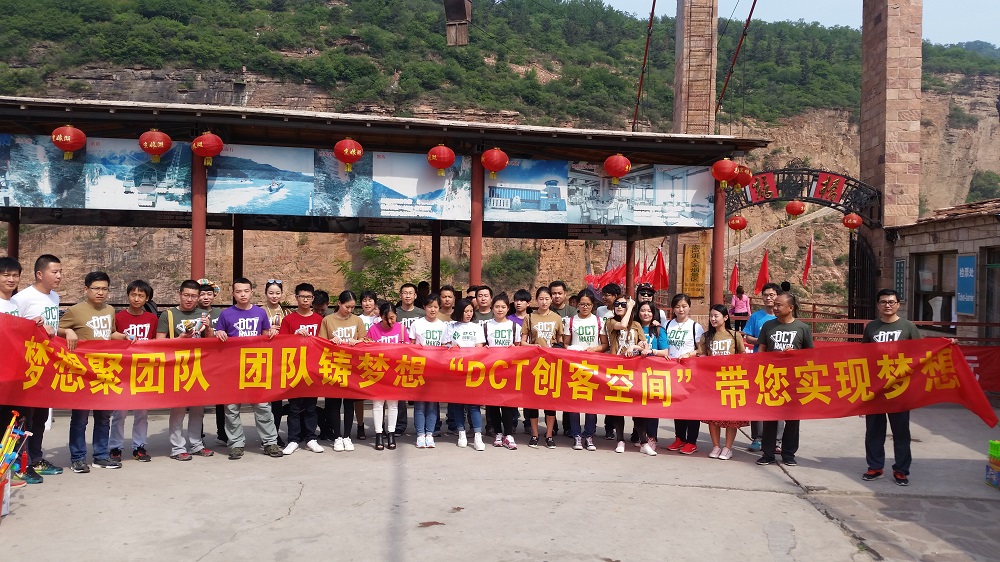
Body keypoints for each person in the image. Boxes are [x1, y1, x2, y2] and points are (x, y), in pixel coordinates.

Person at [59, 271, 130, 473]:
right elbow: (57, 330)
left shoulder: (109, 310)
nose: (100, 292)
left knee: (103, 417)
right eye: (96, 288)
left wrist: (123, 337)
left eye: (104, 289)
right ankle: (78, 458)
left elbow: (109, 333)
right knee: (80, 418)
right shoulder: (75, 310)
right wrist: (68, 331)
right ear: (86, 289)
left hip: (104, 371)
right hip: (82, 371)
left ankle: (101, 456)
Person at [214, 277, 284, 460]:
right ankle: (236, 444)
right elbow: (217, 338)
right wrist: (218, 332)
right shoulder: (225, 315)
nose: (243, 295)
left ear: (252, 292)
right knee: (231, 408)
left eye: (246, 291)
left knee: (262, 406)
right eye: (238, 291)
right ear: (233, 294)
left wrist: (272, 333)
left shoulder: (260, 313)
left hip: (255, 366)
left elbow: (265, 337)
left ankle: (270, 442)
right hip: (232, 368)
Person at [9, 254, 65, 480]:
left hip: (47, 366)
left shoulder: (55, 297)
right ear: (40, 274)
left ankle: (35, 458)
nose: (59, 276)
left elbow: (51, 327)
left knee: (41, 416)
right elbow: (15, 330)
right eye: (54, 272)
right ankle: (19, 463)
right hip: (27, 367)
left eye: (60, 272)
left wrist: (66, 331)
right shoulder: (21, 299)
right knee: (26, 417)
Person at [862, 289, 921, 486]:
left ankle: (901, 470)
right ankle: (875, 466)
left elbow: (922, 353)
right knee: (874, 430)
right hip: (876, 388)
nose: (887, 305)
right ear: (878, 305)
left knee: (901, 431)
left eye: (891, 302)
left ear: (898, 304)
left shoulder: (908, 327)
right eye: (883, 302)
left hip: (900, 389)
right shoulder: (871, 328)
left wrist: (947, 344)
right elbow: (863, 357)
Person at [1, 257, 48, 485]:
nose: (11, 279)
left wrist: (35, 324)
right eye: (6, 275)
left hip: (16, 374)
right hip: (2, 374)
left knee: (17, 423)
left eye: (15, 275)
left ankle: (13, 469)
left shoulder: (15, 305)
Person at [159, 280, 216, 461]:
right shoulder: (168, 315)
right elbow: (158, 342)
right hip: (177, 366)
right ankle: (177, 448)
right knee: (178, 409)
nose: (190, 299)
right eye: (186, 295)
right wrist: (180, 339)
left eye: (193, 296)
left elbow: (211, 341)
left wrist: (209, 328)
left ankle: (197, 444)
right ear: (179, 294)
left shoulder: (203, 314)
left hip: (198, 366)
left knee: (198, 409)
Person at [755, 292, 814, 467]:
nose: (775, 307)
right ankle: (768, 453)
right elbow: (761, 350)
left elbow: (810, 355)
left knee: (792, 419)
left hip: (794, 381)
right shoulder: (768, 326)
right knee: (770, 418)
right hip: (772, 378)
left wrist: (796, 354)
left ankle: (789, 454)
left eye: (779, 304)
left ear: (791, 308)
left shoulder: (802, 328)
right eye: (775, 304)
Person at [110, 279, 157, 463]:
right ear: (128, 296)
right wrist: (123, 337)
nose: (136, 299)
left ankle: (139, 446)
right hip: (122, 370)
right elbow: (110, 336)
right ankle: (115, 447)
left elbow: (157, 343)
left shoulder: (152, 319)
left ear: (147, 298)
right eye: (133, 295)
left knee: (142, 412)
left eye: (141, 295)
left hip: (144, 370)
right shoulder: (119, 317)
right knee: (119, 412)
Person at [278, 283, 325, 455]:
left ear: (313, 299)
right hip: (294, 368)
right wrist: (295, 336)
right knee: (294, 407)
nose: (305, 300)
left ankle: (311, 438)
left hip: (312, 367)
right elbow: (281, 343)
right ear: (296, 298)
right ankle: (293, 439)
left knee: (311, 406)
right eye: (302, 296)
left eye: (309, 297)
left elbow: (324, 342)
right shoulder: (289, 320)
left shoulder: (319, 320)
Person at [319, 290, 367, 452]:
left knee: (349, 403)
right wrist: (331, 341)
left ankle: (347, 436)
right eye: (347, 306)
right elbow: (320, 343)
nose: (349, 310)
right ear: (339, 303)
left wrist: (357, 341)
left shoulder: (357, 320)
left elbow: (364, 340)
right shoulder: (328, 320)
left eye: (352, 307)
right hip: (333, 366)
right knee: (333, 403)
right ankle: (337, 436)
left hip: (351, 367)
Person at [699, 304, 748, 461]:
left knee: (731, 416)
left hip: (731, 380)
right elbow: (701, 356)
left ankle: (728, 447)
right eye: (711, 316)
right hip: (712, 381)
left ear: (725, 317)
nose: (713, 319)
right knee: (712, 415)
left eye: (716, 316)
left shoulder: (734, 335)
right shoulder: (706, 337)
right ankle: (716, 446)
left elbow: (742, 355)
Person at [564, 290, 608, 452]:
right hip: (575, 366)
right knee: (575, 402)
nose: (585, 307)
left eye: (588, 304)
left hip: (593, 366)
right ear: (576, 304)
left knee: (591, 402)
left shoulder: (599, 321)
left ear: (593, 305)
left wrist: (594, 349)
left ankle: (589, 435)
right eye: (582, 304)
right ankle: (576, 434)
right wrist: (573, 349)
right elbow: (566, 344)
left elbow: (605, 345)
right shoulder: (570, 321)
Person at [521, 286, 564, 449]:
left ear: (551, 300)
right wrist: (533, 347)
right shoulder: (529, 317)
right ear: (536, 300)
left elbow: (560, 342)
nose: (544, 302)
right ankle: (534, 434)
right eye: (541, 299)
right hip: (534, 364)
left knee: (550, 402)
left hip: (551, 365)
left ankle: (549, 435)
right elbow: (522, 341)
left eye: (547, 299)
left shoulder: (557, 318)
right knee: (533, 401)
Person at [663, 293, 705, 455]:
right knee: (677, 406)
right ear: (673, 309)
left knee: (692, 407)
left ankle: (691, 441)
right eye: (677, 306)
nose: (681, 309)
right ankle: (679, 438)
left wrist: (689, 354)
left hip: (689, 371)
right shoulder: (667, 324)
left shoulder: (695, 327)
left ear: (689, 307)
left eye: (684, 306)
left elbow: (701, 349)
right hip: (672, 371)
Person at [742, 282, 781, 452]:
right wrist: (762, 340)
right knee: (758, 400)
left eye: (772, 295)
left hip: (780, 366)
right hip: (760, 363)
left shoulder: (783, 317)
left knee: (779, 402)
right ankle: (757, 438)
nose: (768, 298)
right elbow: (747, 337)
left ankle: (777, 441)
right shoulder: (756, 317)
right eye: (765, 295)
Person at [444, 298, 487, 451]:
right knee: (458, 404)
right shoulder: (450, 326)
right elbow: (444, 345)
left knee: (474, 405)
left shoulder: (477, 327)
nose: (468, 314)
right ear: (459, 312)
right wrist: (451, 347)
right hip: (456, 370)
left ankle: (477, 435)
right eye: (465, 311)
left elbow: (480, 347)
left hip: (473, 371)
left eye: (471, 311)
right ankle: (461, 432)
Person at [366, 301, 410, 451]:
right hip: (378, 372)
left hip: (395, 372)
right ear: (380, 317)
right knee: (378, 404)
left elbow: (409, 349)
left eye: (392, 318)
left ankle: (391, 433)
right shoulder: (374, 329)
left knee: (393, 404)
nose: (390, 322)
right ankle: (379, 433)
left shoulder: (401, 329)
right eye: (386, 319)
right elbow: (367, 349)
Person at [603, 295, 644, 454]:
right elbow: (623, 325)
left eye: (623, 304)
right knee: (618, 407)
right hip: (617, 369)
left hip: (634, 370)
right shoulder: (610, 321)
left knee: (637, 408)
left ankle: (643, 441)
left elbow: (644, 345)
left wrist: (636, 346)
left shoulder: (637, 325)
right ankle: (620, 440)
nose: (619, 307)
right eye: (617, 304)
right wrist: (630, 306)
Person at [408, 293, 447, 448]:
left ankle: (429, 434)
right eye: (430, 306)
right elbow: (411, 346)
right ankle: (420, 434)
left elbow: (445, 347)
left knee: (432, 403)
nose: (433, 310)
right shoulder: (417, 324)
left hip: (435, 369)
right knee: (419, 404)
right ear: (424, 307)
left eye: (436, 307)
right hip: (420, 368)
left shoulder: (443, 326)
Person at [484, 293, 521, 450]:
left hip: (509, 370)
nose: (500, 309)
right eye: (497, 306)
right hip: (491, 370)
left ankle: (509, 434)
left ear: (508, 309)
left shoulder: (514, 326)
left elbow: (519, 348)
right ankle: (498, 433)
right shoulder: (486, 326)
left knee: (507, 403)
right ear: (492, 308)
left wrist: (515, 349)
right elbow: (481, 346)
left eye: (503, 307)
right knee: (493, 404)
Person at [392, 283, 424, 436]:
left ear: (415, 295)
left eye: (411, 293)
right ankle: (400, 424)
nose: (408, 296)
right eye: (405, 293)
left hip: (419, 358)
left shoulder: (422, 313)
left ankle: (422, 426)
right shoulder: (395, 313)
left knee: (421, 392)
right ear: (400, 295)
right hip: (399, 358)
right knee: (399, 394)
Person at [636, 301, 668, 455]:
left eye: (649, 311)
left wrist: (651, 351)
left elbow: (665, 352)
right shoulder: (634, 327)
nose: (646, 313)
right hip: (636, 372)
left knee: (652, 407)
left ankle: (652, 437)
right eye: (643, 310)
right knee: (638, 406)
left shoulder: (659, 329)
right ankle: (641, 437)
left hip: (653, 373)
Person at [261, 279, 289, 446]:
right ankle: (265, 434)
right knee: (264, 401)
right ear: (265, 294)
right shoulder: (259, 311)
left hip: (281, 359)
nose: (274, 296)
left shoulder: (287, 312)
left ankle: (275, 433)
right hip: (264, 358)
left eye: (277, 293)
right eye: (271, 293)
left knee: (277, 400)